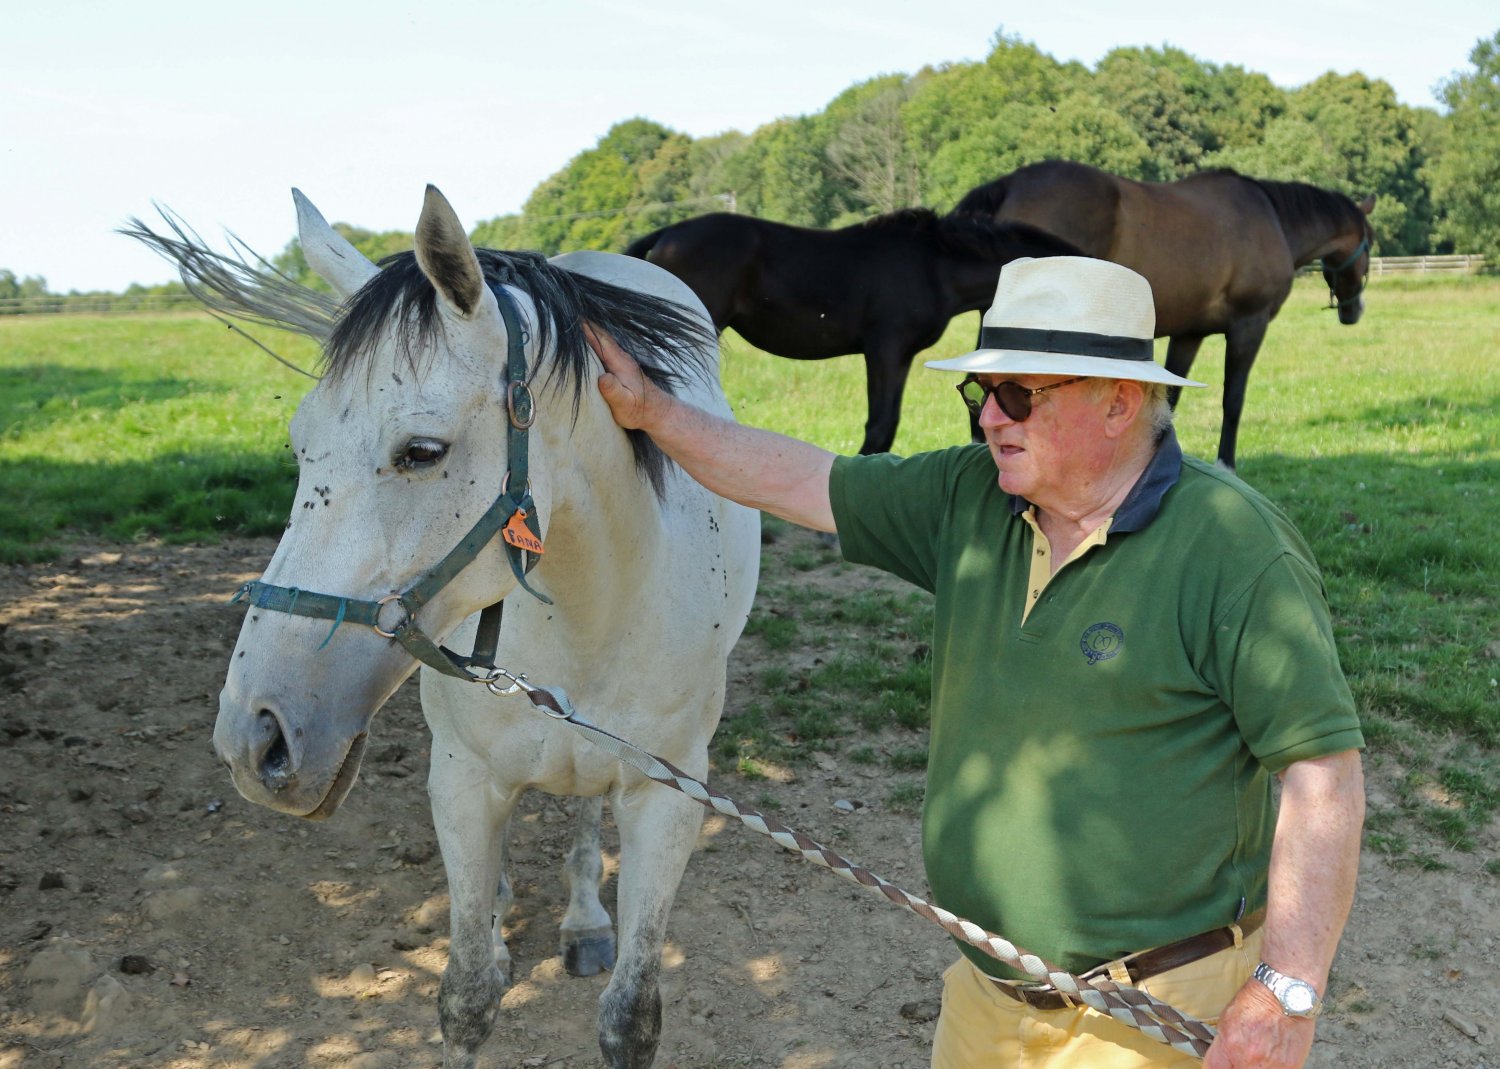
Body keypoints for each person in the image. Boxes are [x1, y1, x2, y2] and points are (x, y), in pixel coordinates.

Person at [586, 255, 1365, 1069]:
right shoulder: (971, 497)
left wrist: (1285, 990)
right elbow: (804, 480)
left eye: (1018, 394)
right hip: (988, 993)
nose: (990, 418)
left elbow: (1324, 774)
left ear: (1118, 403)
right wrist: (656, 413)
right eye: (980, 392)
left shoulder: (1233, 546)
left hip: (1154, 1009)